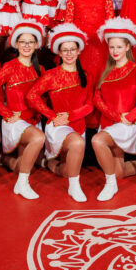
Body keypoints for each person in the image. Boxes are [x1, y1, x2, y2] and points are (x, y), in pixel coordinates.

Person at [26, 23, 95, 202]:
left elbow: (89, 105)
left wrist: (71, 116)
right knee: (77, 143)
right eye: (65, 50)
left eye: (72, 49)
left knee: (67, 169)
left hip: (78, 125)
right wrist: (52, 116)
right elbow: (31, 96)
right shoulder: (51, 75)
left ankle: (48, 162)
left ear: (78, 51)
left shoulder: (86, 75)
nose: (69, 53)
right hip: (58, 126)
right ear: (59, 52)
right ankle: (74, 187)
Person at [91, 18, 136, 200]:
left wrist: (130, 116)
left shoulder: (135, 70)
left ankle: (110, 185)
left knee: (97, 141)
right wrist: (114, 115)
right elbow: (96, 97)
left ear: (128, 47)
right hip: (109, 122)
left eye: (119, 47)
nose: (115, 51)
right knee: (119, 171)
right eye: (112, 47)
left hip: (126, 124)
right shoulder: (105, 69)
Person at [0, 21, 48, 199]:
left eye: (30, 42)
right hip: (15, 122)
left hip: (32, 120)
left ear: (36, 45)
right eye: (23, 42)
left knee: (25, 164)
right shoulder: (9, 67)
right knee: (38, 138)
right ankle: (22, 184)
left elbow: (42, 99)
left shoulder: (41, 69)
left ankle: (2, 158)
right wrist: (6, 113)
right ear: (16, 44)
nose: (27, 46)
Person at [59, 0, 115, 77]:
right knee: (82, 71)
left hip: (100, 41)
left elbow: (111, 19)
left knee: (100, 69)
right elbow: (68, 21)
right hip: (80, 41)